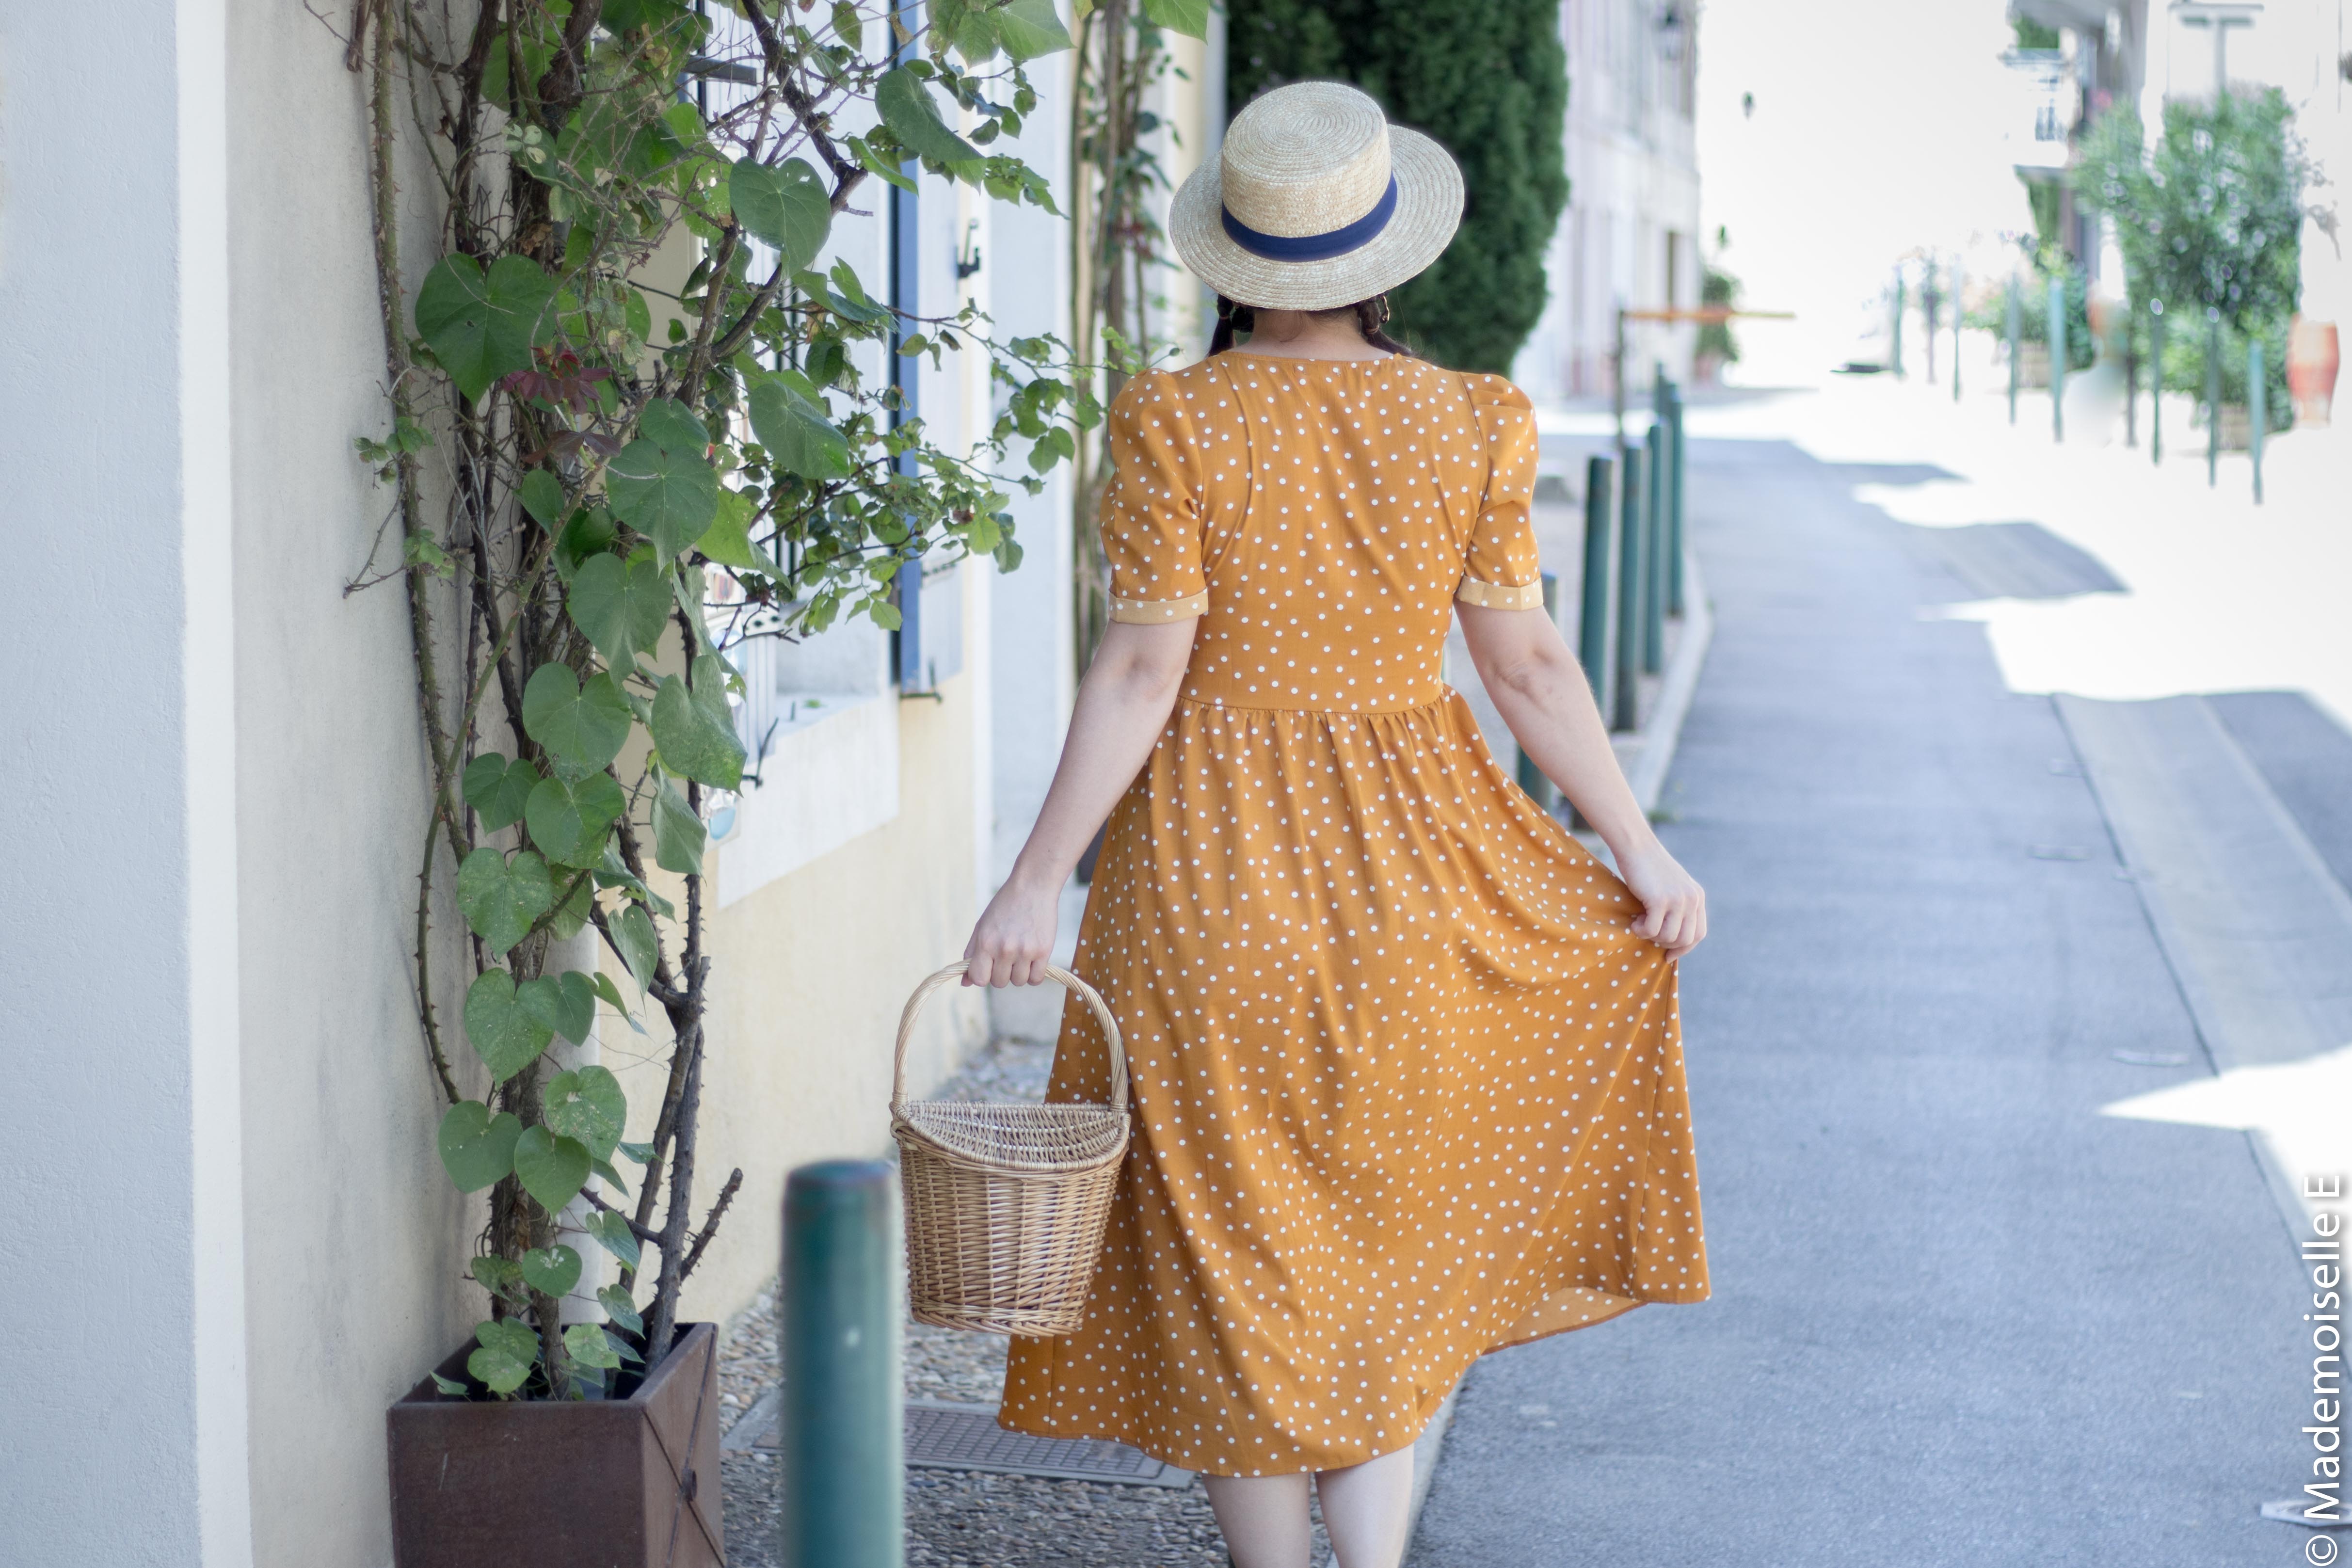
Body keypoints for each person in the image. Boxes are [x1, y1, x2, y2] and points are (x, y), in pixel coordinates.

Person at [962, 80, 1712, 1568]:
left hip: (1200, 873)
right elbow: (1526, 668)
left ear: (1233, 260)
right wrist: (1639, 850)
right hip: (1413, 874)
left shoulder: (1172, 420)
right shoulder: (1472, 421)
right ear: (1387, 260)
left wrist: (1035, 879)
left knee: (1235, 1245)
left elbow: (1136, 667)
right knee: (1372, 1235)